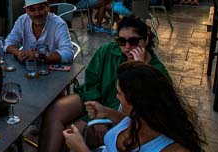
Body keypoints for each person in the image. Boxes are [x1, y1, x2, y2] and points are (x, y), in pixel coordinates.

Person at [38, 15, 170, 152]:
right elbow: (91, 81)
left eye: (134, 41)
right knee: (54, 110)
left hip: (121, 118)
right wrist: (94, 107)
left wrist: (140, 68)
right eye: (121, 41)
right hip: (96, 99)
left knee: (66, 134)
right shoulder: (108, 51)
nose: (127, 47)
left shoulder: (157, 74)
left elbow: (146, 116)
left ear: (146, 39)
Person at [63, 61, 206, 152]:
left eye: (119, 94)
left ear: (137, 102)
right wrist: (106, 112)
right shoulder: (142, 119)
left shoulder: (173, 149)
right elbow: (129, 120)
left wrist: (81, 149)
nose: (116, 97)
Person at [5, 0, 74, 63]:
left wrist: (39, 57)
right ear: (27, 11)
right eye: (32, 10)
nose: (37, 13)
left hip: (52, 70)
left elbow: (68, 53)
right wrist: (18, 53)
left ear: (48, 7)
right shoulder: (22, 20)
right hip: (28, 69)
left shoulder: (59, 24)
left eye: (41, 8)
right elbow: (8, 43)